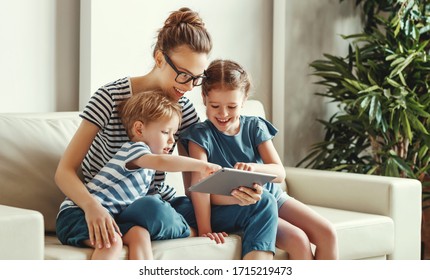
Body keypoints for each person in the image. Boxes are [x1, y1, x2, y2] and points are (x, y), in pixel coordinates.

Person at [55, 7, 274, 260]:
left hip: (159, 204)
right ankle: (183, 230)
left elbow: (195, 185)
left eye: (196, 78)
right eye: (183, 75)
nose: (189, 87)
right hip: (113, 203)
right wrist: (91, 207)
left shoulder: (184, 110)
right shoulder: (109, 97)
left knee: (263, 203)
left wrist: (237, 195)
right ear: (160, 59)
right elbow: (65, 171)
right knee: (152, 209)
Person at [180, 59, 339, 260]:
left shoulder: (255, 126)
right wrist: (205, 229)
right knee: (299, 240)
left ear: (244, 99)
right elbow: (199, 187)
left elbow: (280, 173)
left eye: (231, 106)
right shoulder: (200, 136)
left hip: (272, 196)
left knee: (327, 233)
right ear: (204, 98)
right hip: (239, 206)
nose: (223, 113)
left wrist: (253, 169)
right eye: (215, 106)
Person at [56, 91, 221, 260]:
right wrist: (202, 165)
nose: (172, 140)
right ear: (139, 129)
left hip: (111, 217)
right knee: (111, 242)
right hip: (77, 214)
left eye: (174, 134)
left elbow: (154, 194)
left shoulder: (146, 167)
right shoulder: (135, 149)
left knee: (139, 234)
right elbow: (162, 162)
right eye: (165, 132)